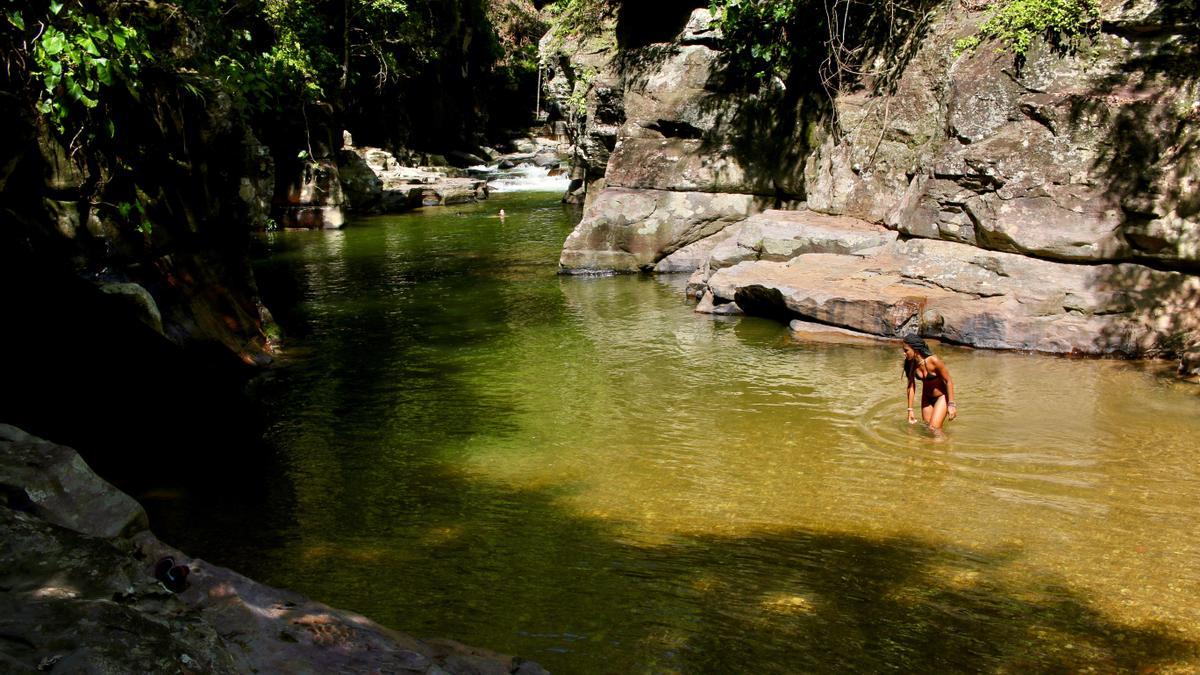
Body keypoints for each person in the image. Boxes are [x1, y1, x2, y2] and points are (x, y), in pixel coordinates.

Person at [902, 334, 957, 433]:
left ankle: (948, 446)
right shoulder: (911, 363)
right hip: (926, 398)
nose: (904, 353)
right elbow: (911, 385)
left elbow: (949, 381)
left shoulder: (934, 361)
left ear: (915, 349)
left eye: (906, 350)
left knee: (934, 429)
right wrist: (910, 410)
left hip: (941, 397)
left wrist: (951, 404)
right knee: (927, 429)